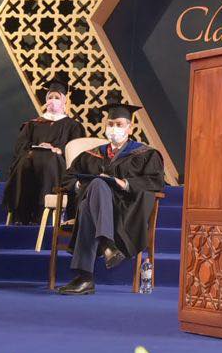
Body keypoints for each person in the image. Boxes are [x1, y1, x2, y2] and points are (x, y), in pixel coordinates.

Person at [56, 103, 165, 295]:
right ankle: (107, 246)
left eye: (119, 124)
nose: (114, 128)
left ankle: (85, 277)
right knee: (96, 186)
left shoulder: (145, 154)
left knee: (89, 203)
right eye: (111, 124)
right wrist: (80, 185)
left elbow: (156, 181)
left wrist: (125, 183)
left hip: (126, 210)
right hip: (99, 210)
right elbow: (68, 177)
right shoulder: (91, 154)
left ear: (130, 128)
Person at [4, 79, 85, 224]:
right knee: (24, 162)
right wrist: (35, 148)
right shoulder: (32, 124)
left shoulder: (73, 126)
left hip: (57, 163)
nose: (53, 100)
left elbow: (76, 150)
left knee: (49, 161)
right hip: (32, 159)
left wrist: (58, 150)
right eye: (50, 97)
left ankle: (44, 215)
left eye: (57, 97)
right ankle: (21, 215)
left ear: (64, 101)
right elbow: (20, 146)